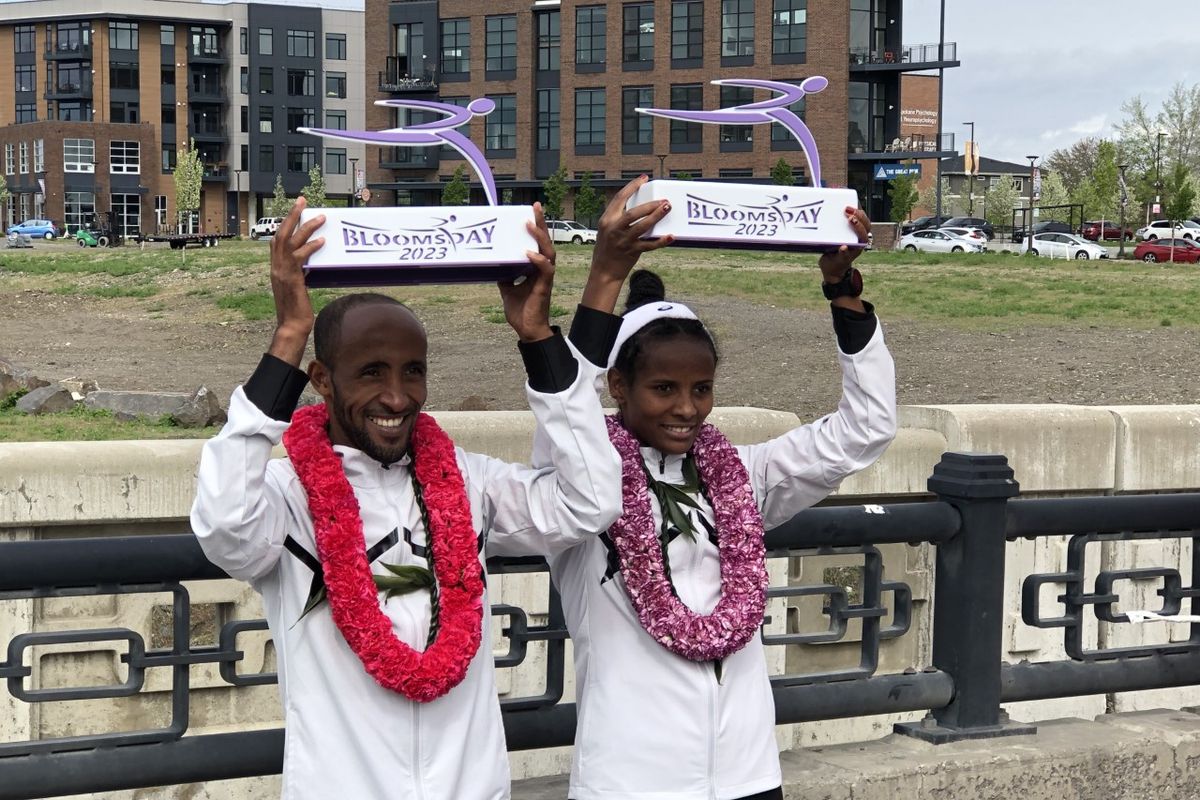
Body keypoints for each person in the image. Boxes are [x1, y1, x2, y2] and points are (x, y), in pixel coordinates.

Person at [189, 197, 622, 800]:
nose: (397, 396)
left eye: (412, 371)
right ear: (321, 379)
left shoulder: (468, 485)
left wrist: (537, 337)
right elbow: (222, 527)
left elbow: (591, 501)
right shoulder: (286, 501)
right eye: (371, 373)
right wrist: (288, 335)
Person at [545, 176, 898, 800]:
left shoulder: (744, 477)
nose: (687, 408)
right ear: (618, 388)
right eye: (664, 389)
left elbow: (865, 429)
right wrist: (604, 277)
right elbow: (565, 408)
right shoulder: (578, 482)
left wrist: (842, 293)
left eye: (700, 389)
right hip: (630, 780)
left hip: (748, 774)